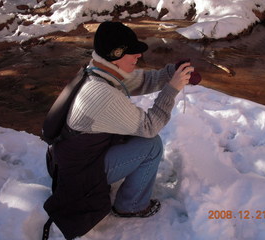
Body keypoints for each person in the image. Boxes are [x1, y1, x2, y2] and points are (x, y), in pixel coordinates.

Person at [43, 21, 195, 239]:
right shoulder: (102, 95)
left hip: (65, 162)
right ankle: (131, 205)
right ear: (116, 54)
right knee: (151, 145)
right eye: (132, 53)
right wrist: (172, 89)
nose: (138, 57)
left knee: (136, 135)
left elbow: (143, 81)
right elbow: (150, 126)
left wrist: (171, 73)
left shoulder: (98, 70)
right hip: (79, 175)